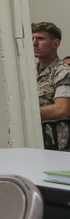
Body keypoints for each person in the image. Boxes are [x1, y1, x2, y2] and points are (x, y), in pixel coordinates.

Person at [32, 22, 70, 150]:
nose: (34, 43)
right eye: (32, 38)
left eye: (40, 39)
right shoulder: (28, 71)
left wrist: (25, 114)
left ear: (55, 43)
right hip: (29, 133)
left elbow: (61, 109)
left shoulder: (63, 72)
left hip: (52, 138)